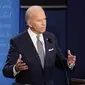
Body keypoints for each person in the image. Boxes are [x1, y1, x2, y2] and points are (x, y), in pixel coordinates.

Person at [3, 6, 76, 85]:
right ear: (30, 23)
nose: (43, 23)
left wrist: (69, 63)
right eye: (39, 20)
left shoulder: (51, 38)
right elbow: (6, 71)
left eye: (44, 19)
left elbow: (60, 62)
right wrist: (16, 68)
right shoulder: (17, 41)